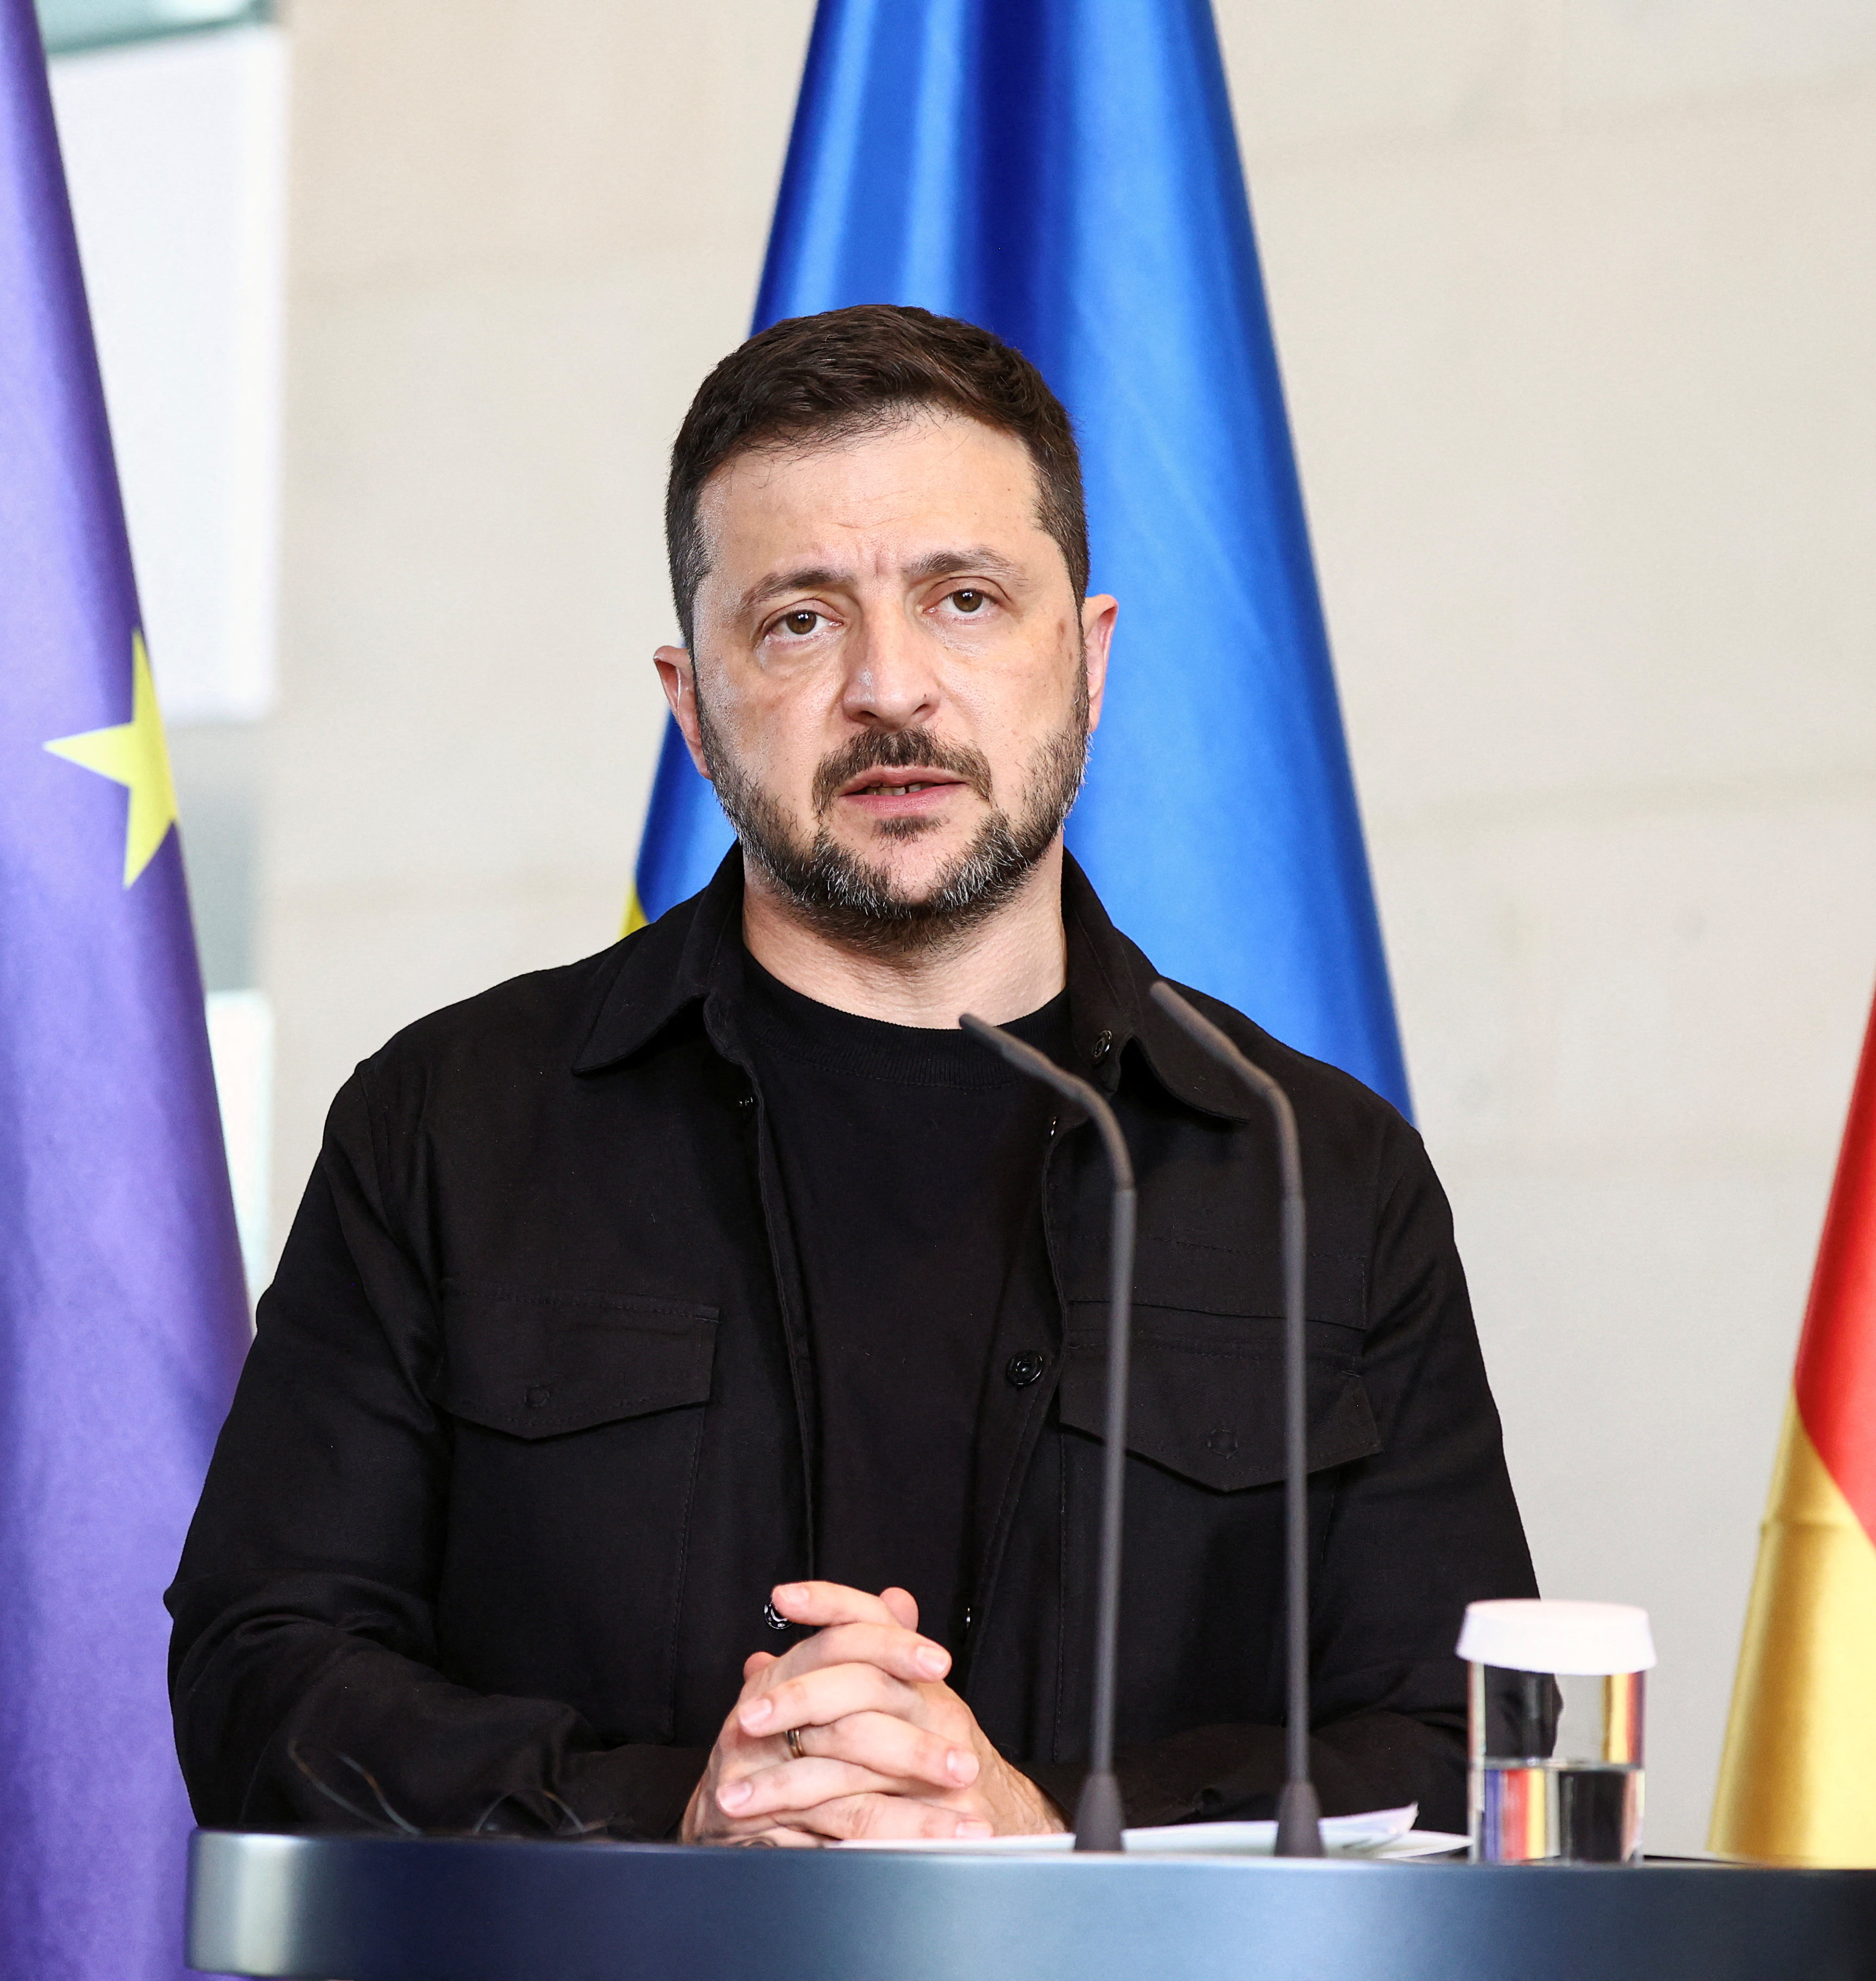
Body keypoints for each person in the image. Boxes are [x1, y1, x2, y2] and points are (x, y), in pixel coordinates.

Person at [167, 304, 1534, 1845]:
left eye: (964, 599)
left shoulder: (1316, 1170)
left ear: (1085, 663)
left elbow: (1461, 1743)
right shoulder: (449, 1124)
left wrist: (1039, 1833)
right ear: (692, 706)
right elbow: (258, 1677)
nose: (891, 688)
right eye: (800, 620)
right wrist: (669, 1816)